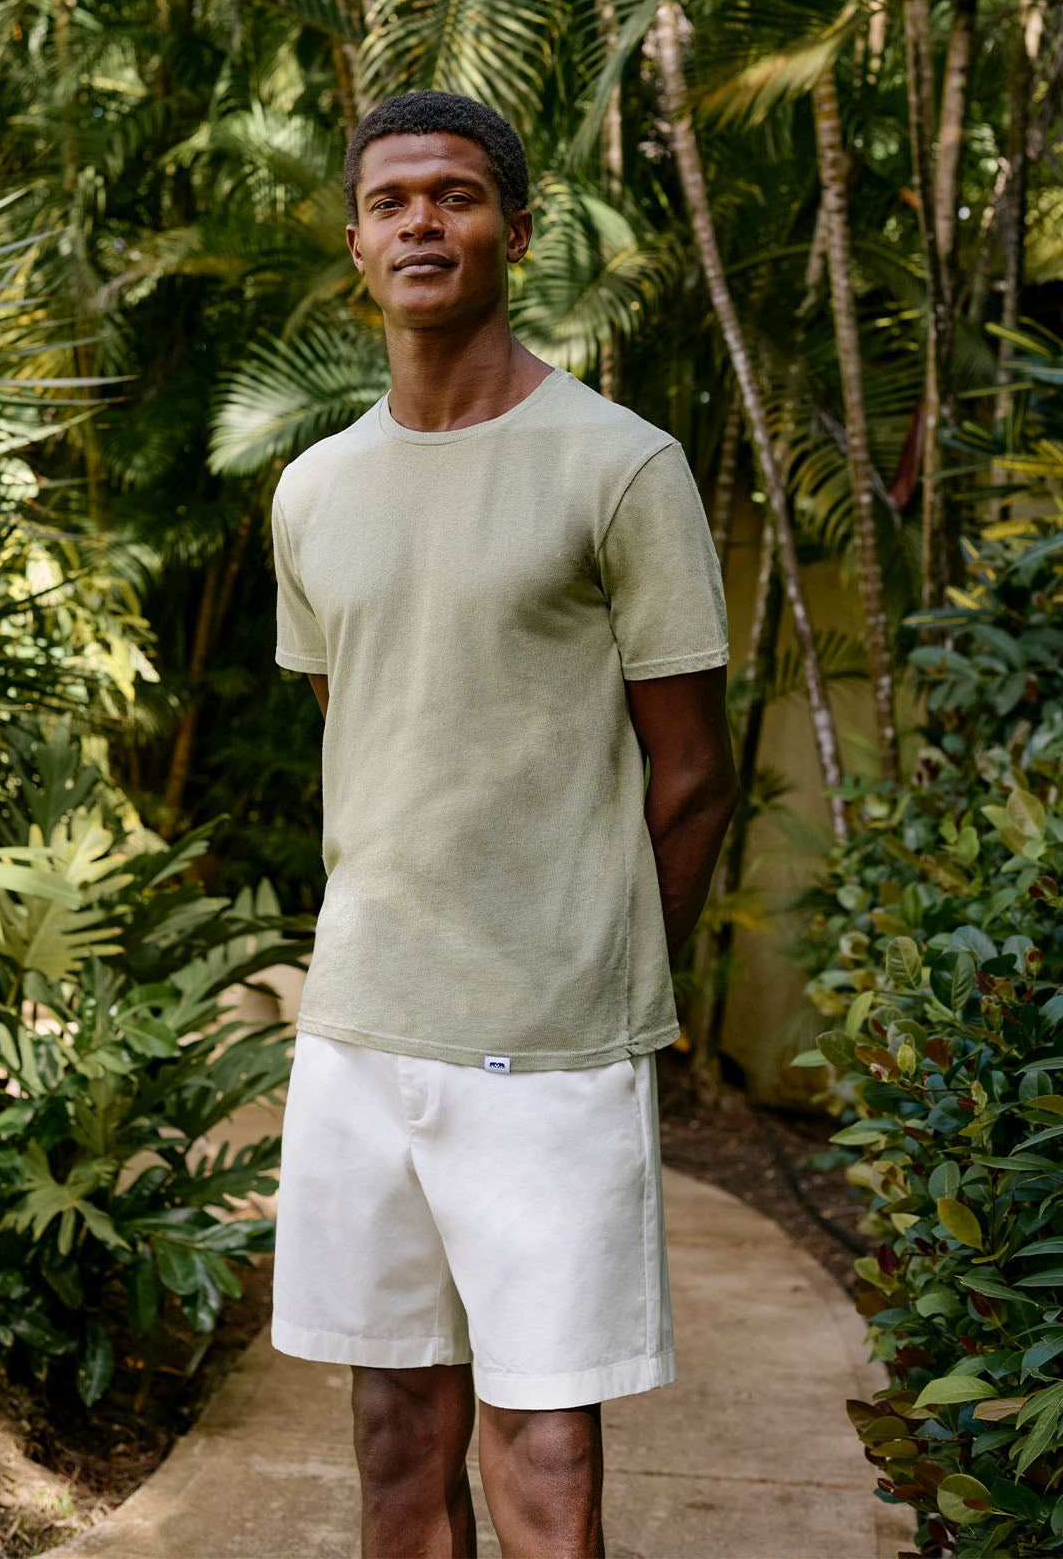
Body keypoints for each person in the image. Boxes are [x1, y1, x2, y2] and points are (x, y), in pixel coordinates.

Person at [268, 88, 739, 1559]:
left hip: (548, 1048)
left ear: (515, 233)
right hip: (359, 1030)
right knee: (394, 1435)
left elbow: (693, 779)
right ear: (356, 242)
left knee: (545, 1455)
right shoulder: (315, 488)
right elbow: (367, 736)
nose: (423, 220)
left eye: (457, 196)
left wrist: (604, 978)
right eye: (393, 199)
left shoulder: (622, 467)